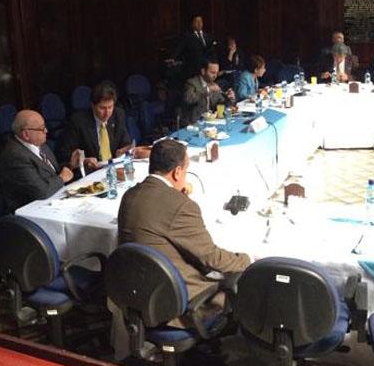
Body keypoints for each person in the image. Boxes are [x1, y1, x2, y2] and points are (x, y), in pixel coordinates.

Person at [118, 139, 251, 328]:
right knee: (240, 281)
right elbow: (211, 258)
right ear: (177, 172)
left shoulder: (129, 195)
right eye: (186, 170)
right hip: (177, 303)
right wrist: (246, 259)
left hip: (136, 294)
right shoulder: (181, 206)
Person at [0, 110, 78, 212]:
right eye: (41, 128)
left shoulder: (39, 144)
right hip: (33, 211)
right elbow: (41, 193)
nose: (46, 131)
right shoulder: (15, 156)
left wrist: (71, 165)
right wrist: (62, 178)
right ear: (26, 134)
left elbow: (53, 173)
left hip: (54, 200)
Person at [57, 81, 138, 172]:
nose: (107, 113)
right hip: (92, 172)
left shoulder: (118, 115)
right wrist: (84, 161)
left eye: (110, 107)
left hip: (115, 168)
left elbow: (125, 142)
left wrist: (124, 150)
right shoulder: (78, 122)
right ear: (92, 105)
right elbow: (65, 155)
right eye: (102, 108)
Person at [180, 59, 236, 126]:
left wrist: (229, 98)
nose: (215, 76)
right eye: (212, 72)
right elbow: (189, 99)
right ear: (203, 71)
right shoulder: (191, 83)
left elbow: (220, 104)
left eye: (216, 73)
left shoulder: (213, 84)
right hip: (193, 123)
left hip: (211, 122)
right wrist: (207, 90)